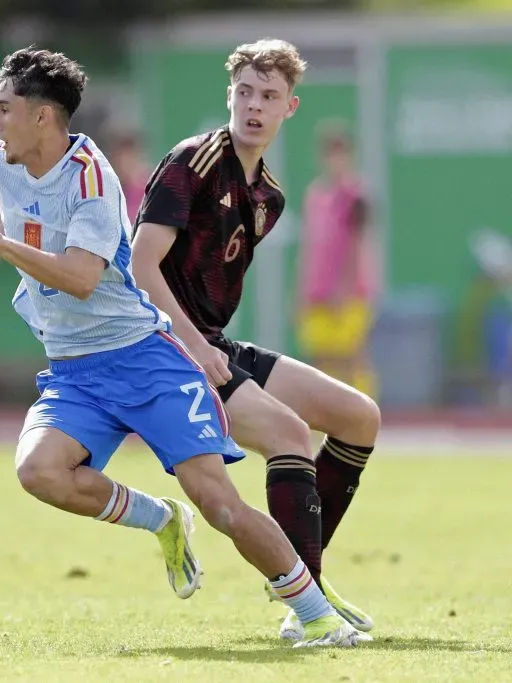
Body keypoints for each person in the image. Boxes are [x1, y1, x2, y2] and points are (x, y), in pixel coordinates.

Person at [0, 46, 365, 648]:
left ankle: (314, 611)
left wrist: (1, 244)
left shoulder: (90, 173)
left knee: (220, 503)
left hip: (142, 357)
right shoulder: (7, 156)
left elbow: (82, 276)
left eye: (3, 109)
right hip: (74, 370)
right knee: (38, 472)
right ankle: (162, 519)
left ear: (43, 117)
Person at [129, 39, 381, 642]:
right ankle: (307, 601)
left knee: (358, 417)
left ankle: (300, 579)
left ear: (289, 108)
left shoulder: (270, 197)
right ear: (229, 95)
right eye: (244, 91)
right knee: (290, 434)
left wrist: (208, 342)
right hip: (167, 346)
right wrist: (194, 346)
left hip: (211, 339)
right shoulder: (192, 160)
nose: (254, 105)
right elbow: (141, 267)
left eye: (269, 95)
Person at [297, 122, 380, 398]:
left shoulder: (357, 195)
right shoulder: (315, 196)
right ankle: (328, 418)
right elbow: (310, 248)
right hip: (318, 293)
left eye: (341, 152)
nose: (335, 160)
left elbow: (357, 245)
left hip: (350, 293)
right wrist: (300, 292)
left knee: (351, 356)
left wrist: (343, 288)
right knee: (321, 359)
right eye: (330, 153)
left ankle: (364, 412)